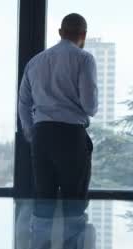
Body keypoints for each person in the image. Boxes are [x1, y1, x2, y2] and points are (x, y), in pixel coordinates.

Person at [18, 13, 98, 201]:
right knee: (74, 203)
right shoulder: (84, 59)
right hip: (70, 136)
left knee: (43, 203)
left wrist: (31, 132)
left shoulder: (35, 62)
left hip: (41, 136)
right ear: (84, 35)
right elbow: (90, 107)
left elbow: (23, 103)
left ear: (60, 32)